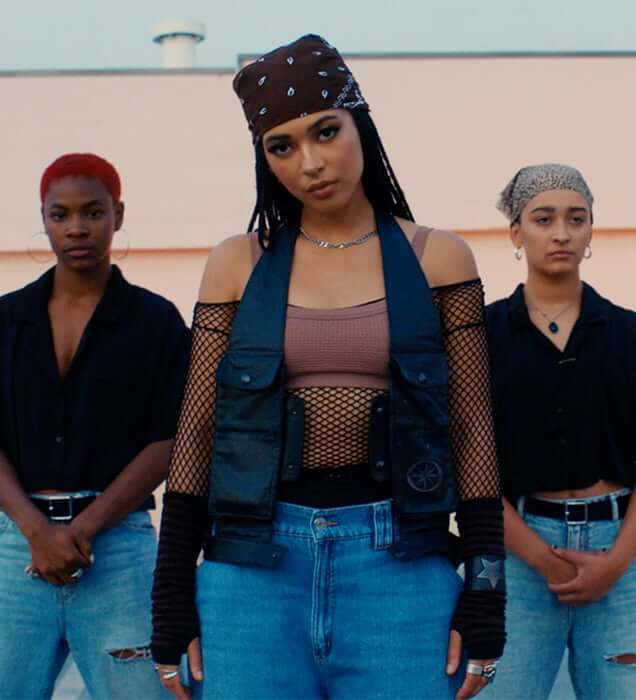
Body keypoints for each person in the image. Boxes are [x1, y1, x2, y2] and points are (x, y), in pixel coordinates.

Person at [152, 34, 505, 700]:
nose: (310, 163)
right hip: (252, 570)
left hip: (399, 565)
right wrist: (171, 595)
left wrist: (487, 593)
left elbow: (471, 427)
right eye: (281, 147)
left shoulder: (438, 258)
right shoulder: (238, 262)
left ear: (359, 123)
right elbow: (197, 430)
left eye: (325, 131)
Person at [0, 153, 190, 699]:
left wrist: (83, 529)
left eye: (93, 212)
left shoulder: (155, 321)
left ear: (118, 215)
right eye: (60, 215)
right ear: (44, 218)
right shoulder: (7, 320)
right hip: (16, 546)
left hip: (119, 550)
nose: (77, 228)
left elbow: (172, 438)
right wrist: (36, 531)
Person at [484, 164, 636, 700]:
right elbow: (467, 462)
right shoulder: (481, 337)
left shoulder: (629, 333)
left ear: (592, 229)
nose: (562, 233)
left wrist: (615, 563)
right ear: (516, 232)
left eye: (577, 219)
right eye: (543, 219)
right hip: (517, 557)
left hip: (623, 555)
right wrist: (542, 559)